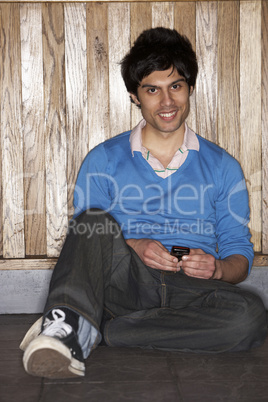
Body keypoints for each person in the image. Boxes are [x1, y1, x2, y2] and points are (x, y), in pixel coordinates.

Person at [20, 27, 267, 379]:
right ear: (136, 96)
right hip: (125, 284)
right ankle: (66, 327)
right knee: (91, 220)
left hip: (192, 291)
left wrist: (216, 269)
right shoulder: (103, 158)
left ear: (190, 88)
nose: (167, 102)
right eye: (153, 89)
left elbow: (238, 254)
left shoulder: (224, 166)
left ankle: (101, 329)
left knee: (250, 315)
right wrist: (134, 245)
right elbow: (86, 242)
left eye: (176, 86)